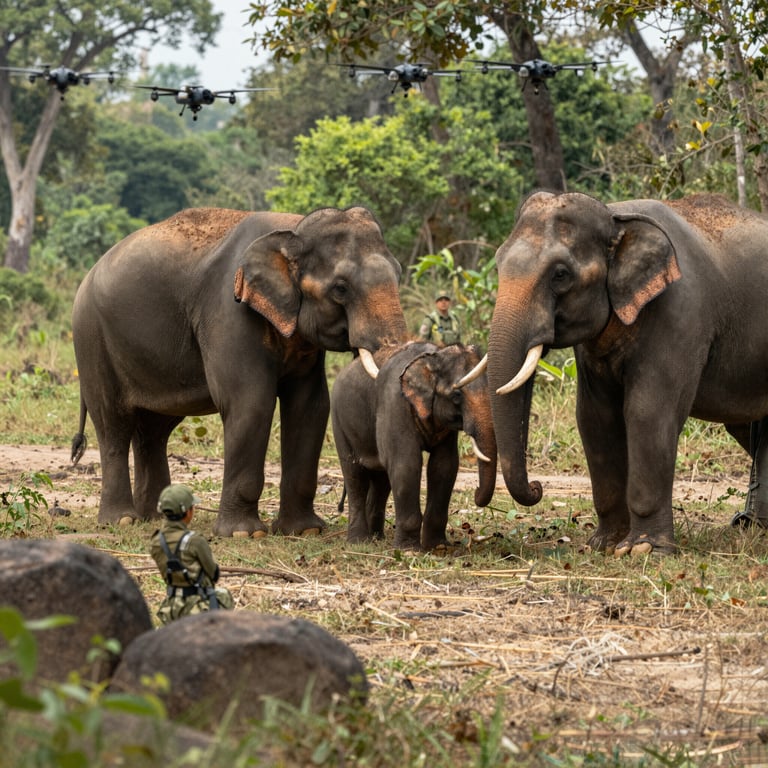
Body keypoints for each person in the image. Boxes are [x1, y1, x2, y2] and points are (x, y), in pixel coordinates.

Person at [150, 483, 234, 624]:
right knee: (224, 595)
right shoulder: (195, 540)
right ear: (188, 512)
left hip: (171, 607)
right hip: (197, 606)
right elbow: (214, 574)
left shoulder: (156, 540)